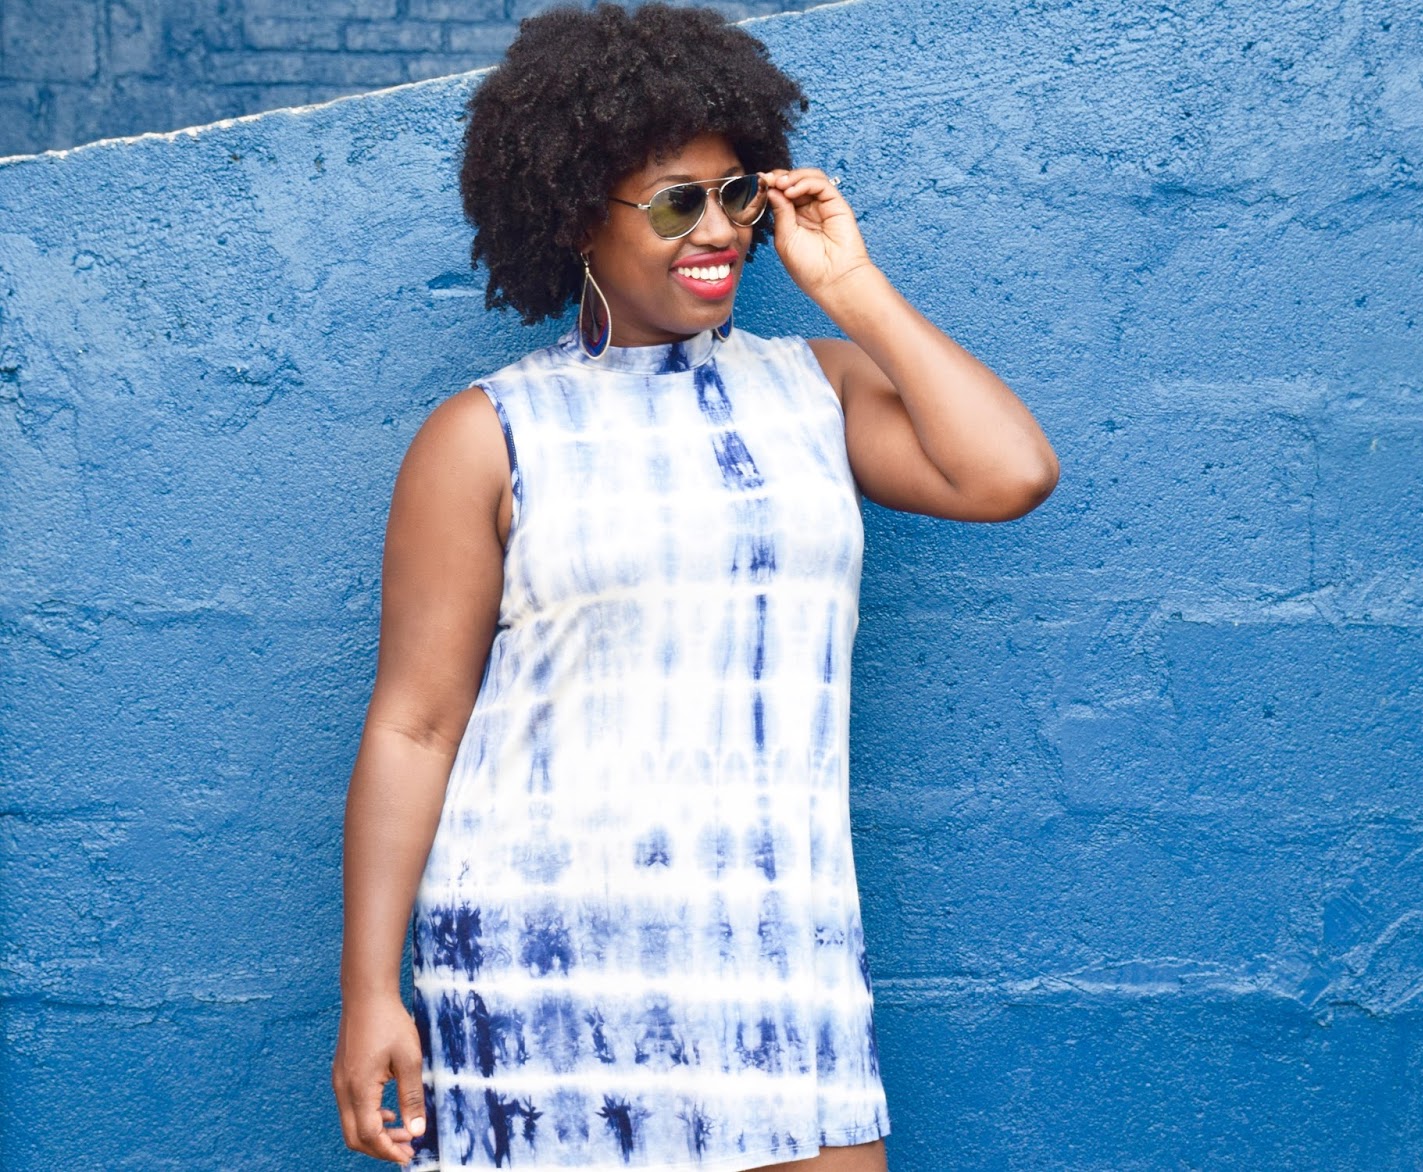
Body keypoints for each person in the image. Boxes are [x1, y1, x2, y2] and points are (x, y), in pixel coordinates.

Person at [331, 4, 1058, 1169]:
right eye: (676, 202)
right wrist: (372, 990)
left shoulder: (815, 388)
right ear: (577, 215)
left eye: (736, 194)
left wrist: (850, 284)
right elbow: (415, 724)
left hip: (780, 953)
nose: (715, 228)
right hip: (543, 972)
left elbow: (1009, 472)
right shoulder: (486, 435)